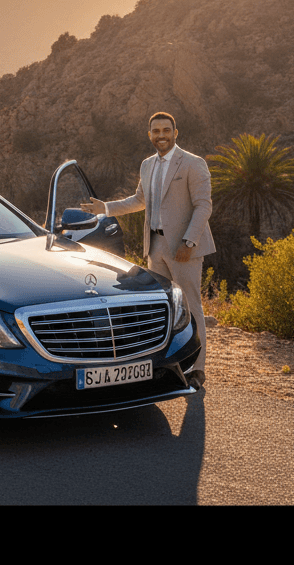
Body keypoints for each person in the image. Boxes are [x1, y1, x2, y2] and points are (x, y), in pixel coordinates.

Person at [80, 111, 213, 389]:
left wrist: (189, 242)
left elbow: (203, 206)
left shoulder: (192, 163)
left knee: (191, 304)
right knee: (162, 307)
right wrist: (105, 208)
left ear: (175, 133)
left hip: (183, 247)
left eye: (166, 130)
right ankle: (164, 364)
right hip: (155, 246)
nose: (161, 135)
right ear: (149, 134)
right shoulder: (147, 165)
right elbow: (139, 200)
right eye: (156, 131)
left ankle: (196, 369)